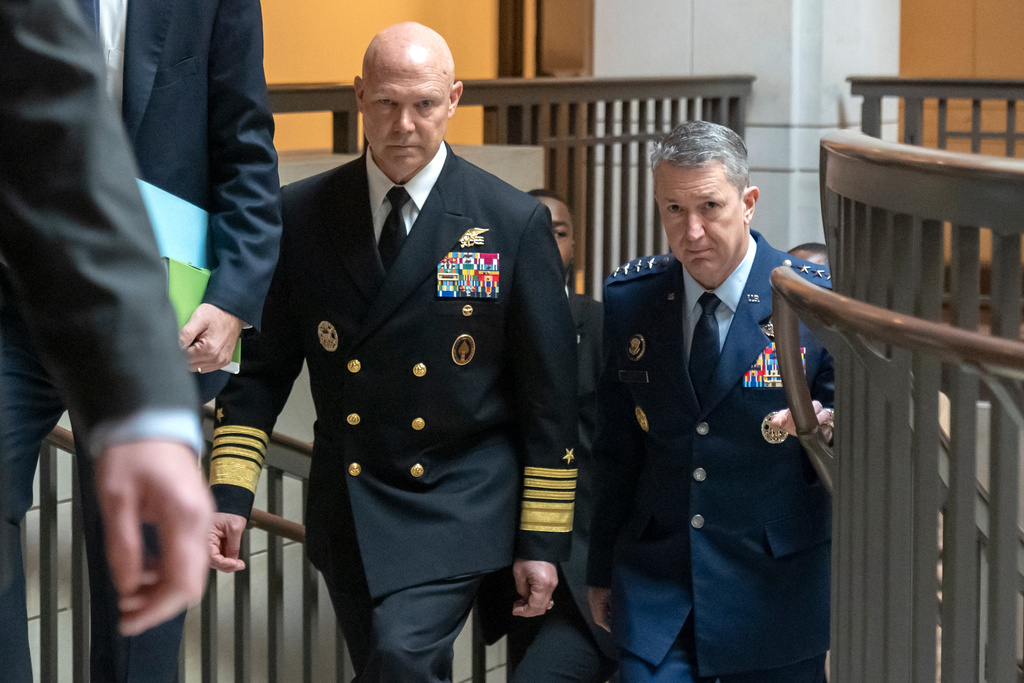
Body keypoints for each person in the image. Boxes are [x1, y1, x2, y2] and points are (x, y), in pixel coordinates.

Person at [207, 22, 577, 683]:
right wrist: (229, 493)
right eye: (386, 103)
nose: (404, 124)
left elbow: (549, 400)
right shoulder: (303, 214)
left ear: (454, 99)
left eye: (424, 104)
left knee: (402, 659)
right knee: (388, 666)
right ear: (359, 96)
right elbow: (261, 375)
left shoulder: (509, 222)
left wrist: (542, 540)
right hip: (349, 501)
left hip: (460, 498)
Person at [0, 0, 282, 678]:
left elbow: (244, 145)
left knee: (147, 549)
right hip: (13, 303)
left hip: (155, 311)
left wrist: (232, 299)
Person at [586, 121, 834, 683]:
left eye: (710, 206)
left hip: (773, 586)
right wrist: (601, 567)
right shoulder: (632, 300)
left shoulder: (812, 300)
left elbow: (859, 441)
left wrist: (830, 429)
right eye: (673, 209)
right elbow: (617, 450)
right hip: (659, 585)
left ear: (748, 203)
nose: (692, 231)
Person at [478, 190, 617, 682]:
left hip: (580, 565)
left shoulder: (603, 324)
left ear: (574, 245)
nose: (545, 244)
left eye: (556, 233)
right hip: (503, 566)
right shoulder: (480, 328)